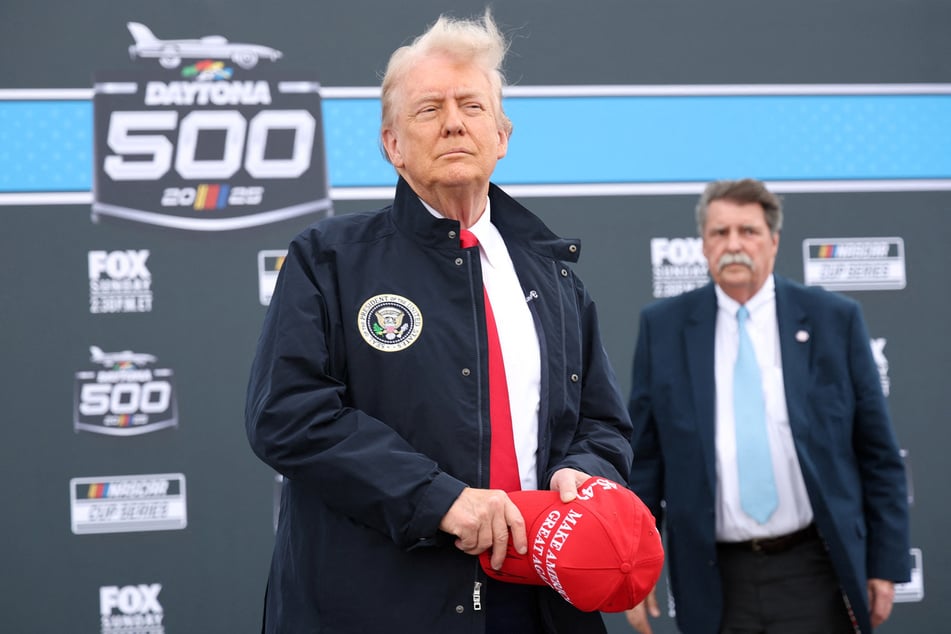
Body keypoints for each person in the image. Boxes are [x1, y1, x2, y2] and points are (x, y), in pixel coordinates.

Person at [245, 10, 633, 634]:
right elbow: (288, 415)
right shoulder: (329, 260)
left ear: (502, 134)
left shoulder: (553, 277)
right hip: (378, 607)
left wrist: (581, 475)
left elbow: (604, 422)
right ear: (392, 144)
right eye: (429, 108)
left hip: (537, 604)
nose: (454, 121)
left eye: (472, 105)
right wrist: (439, 498)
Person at [624, 178, 911, 634]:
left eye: (748, 231)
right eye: (720, 233)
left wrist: (886, 563)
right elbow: (645, 464)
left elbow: (878, 455)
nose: (734, 244)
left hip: (816, 569)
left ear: (774, 242)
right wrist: (632, 571)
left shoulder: (833, 320)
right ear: (703, 245)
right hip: (712, 576)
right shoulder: (664, 329)